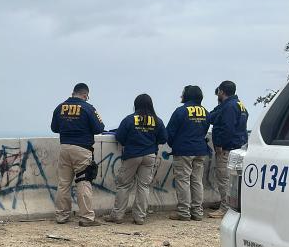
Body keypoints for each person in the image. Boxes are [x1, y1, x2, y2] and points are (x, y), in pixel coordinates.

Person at [106, 94, 167, 225]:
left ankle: (117, 215)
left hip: (132, 155)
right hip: (150, 156)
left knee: (124, 185)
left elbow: (120, 137)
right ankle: (139, 216)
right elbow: (163, 138)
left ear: (136, 104)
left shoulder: (129, 119)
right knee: (143, 186)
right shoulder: (157, 120)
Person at [51, 83, 105, 227]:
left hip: (64, 147)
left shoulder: (60, 107)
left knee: (63, 183)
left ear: (73, 92)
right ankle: (86, 217)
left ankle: (62, 215)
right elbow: (99, 128)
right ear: (84, 95)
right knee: (83, 181)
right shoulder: (88, 108)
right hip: (82, 149)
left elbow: (54, 128)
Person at [166, 86, 211, 221]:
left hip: (184, 151)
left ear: (187, 95)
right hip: (200, 150)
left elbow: (169, 133)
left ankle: (184, 213)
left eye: (183, 94)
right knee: (197, 181)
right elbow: (204, 130)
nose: (181, 96)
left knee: (183, 181)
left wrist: (174, 145)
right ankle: (197, 212)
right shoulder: (205, 112)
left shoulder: (181, 111)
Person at [207, 80, 249, 218]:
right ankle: (226, 203)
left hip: (227, 149)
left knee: (224, 179)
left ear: (221, 91)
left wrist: (220, 144)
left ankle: (225, 208)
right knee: (233, 180)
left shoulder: (229, 107)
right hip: (238, 147)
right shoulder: (240, 105)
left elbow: (227, 128)